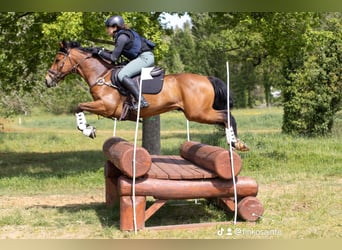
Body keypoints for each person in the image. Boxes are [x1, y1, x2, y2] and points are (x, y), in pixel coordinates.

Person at [92, 15, 155, 110]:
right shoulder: (123, 35)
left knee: (121, 75)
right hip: (141, 57)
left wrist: (100, 52)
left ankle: (141, 100)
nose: (107, 30)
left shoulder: (122, 37)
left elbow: (113, 58)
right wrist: (102, 51)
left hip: (145, 58)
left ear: (115, 27)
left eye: (108, 27)